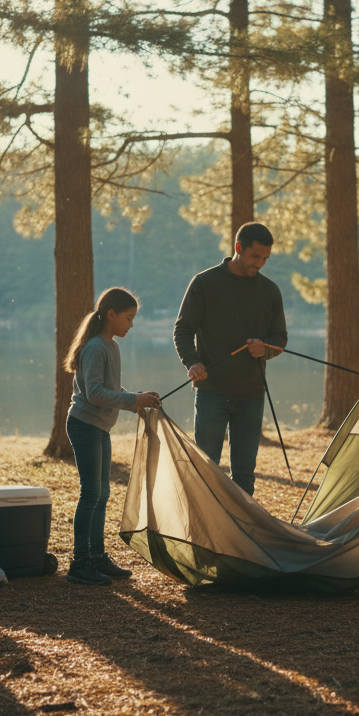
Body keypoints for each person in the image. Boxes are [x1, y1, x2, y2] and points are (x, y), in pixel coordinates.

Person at [173, 221, 288, 496]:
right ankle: (204, 530)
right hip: (212, 391)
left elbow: (279, 338)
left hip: (252, 394)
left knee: (245, 474)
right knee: (207, 469)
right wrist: (192, 362)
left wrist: (266, 348)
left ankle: (243, 532)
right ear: (238, 248)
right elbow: (183, 328)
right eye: (255, 256)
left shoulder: (270, 290)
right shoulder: (205, 282)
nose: (260, 264)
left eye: (265, 259)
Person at [63, 287, 161, 586]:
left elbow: (110, 391)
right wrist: (133, 398)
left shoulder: (111, 346)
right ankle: (80, 563)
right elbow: (94, 394)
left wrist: (137, 404)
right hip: (84, 424)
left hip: (99, 427)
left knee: (102, 494)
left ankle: (97, 556)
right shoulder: (95, 347)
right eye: (128, 319)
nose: (131, 325)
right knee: (91, 493)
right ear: (111, 315)